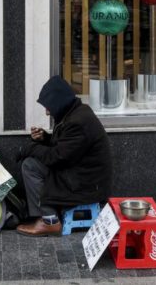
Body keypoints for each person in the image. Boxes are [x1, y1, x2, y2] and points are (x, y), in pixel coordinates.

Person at [16, 75, 112, 236]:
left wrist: (30, 149)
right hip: (81, 174)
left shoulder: (78, 122)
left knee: (30, 166)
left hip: (85, 185)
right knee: (33, 163)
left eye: (49, 107)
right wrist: (45, 138)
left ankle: (49, 221)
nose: (47, 112)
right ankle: (48, 217)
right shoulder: (76, 113)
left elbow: (57, 158)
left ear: (59, 102)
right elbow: (67, 149)